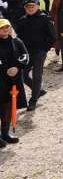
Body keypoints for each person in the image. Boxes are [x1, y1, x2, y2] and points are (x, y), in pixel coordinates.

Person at [15, 0, 55, 111]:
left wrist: (45, 49)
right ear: (25, 8)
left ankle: (33, 100)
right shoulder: (22, 20)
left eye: (32, 6)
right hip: (26, 53)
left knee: (37, 76)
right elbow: (19, 38)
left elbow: (52, 37)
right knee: (23, 76)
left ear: (37, 7)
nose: (30, 8)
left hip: (40, 52)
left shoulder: (45, 19)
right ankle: (38, 91)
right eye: (28, 7)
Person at [0, 19, 30, 147]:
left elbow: (25, 56)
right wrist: (4, 69)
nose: (5, 29)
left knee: (7, 108)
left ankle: (5, 134)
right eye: (2, 27)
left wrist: (17, 67)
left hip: (11, 82)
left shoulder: (17, 42)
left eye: (7, 26)